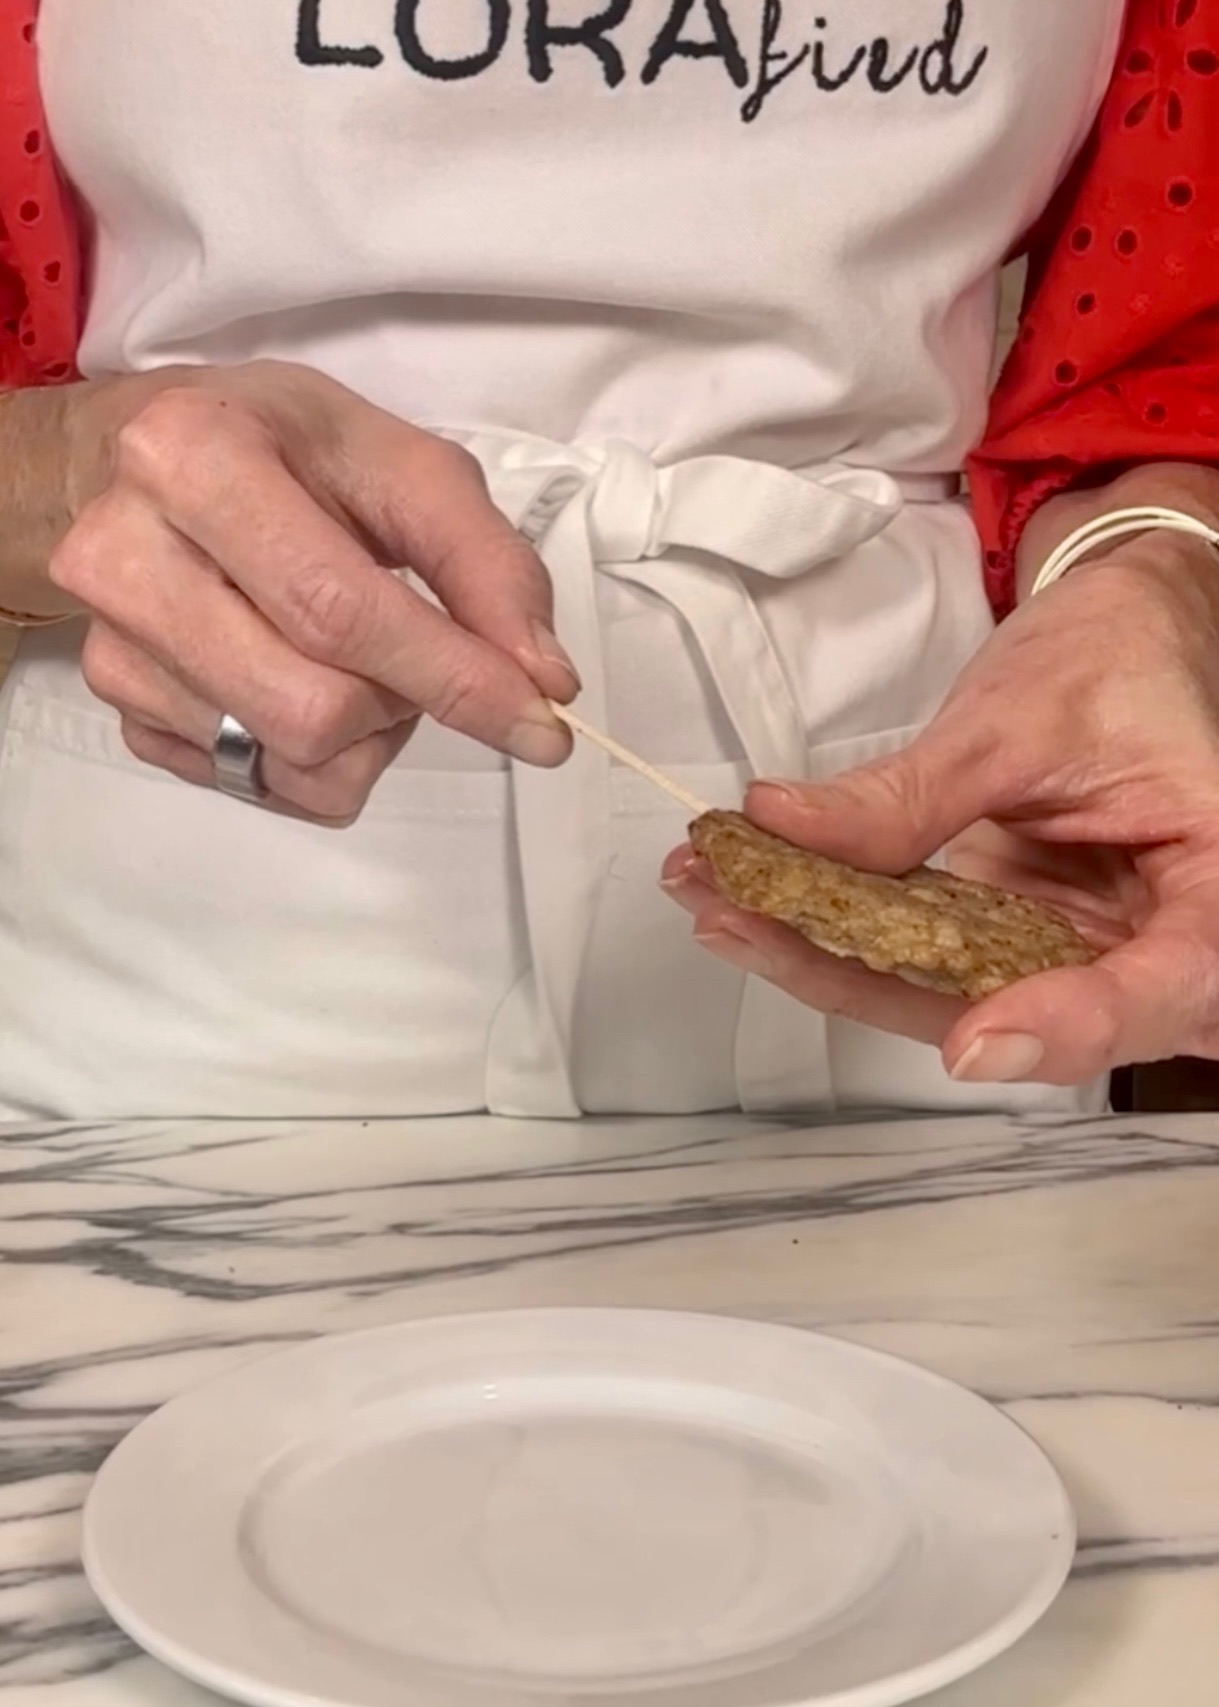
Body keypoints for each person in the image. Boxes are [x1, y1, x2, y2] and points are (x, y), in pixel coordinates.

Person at [2, 0, 1218, 1121]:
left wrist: (1156, 575)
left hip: (952, 896)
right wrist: (64, 471)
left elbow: (1158, 375)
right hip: (182, 972)